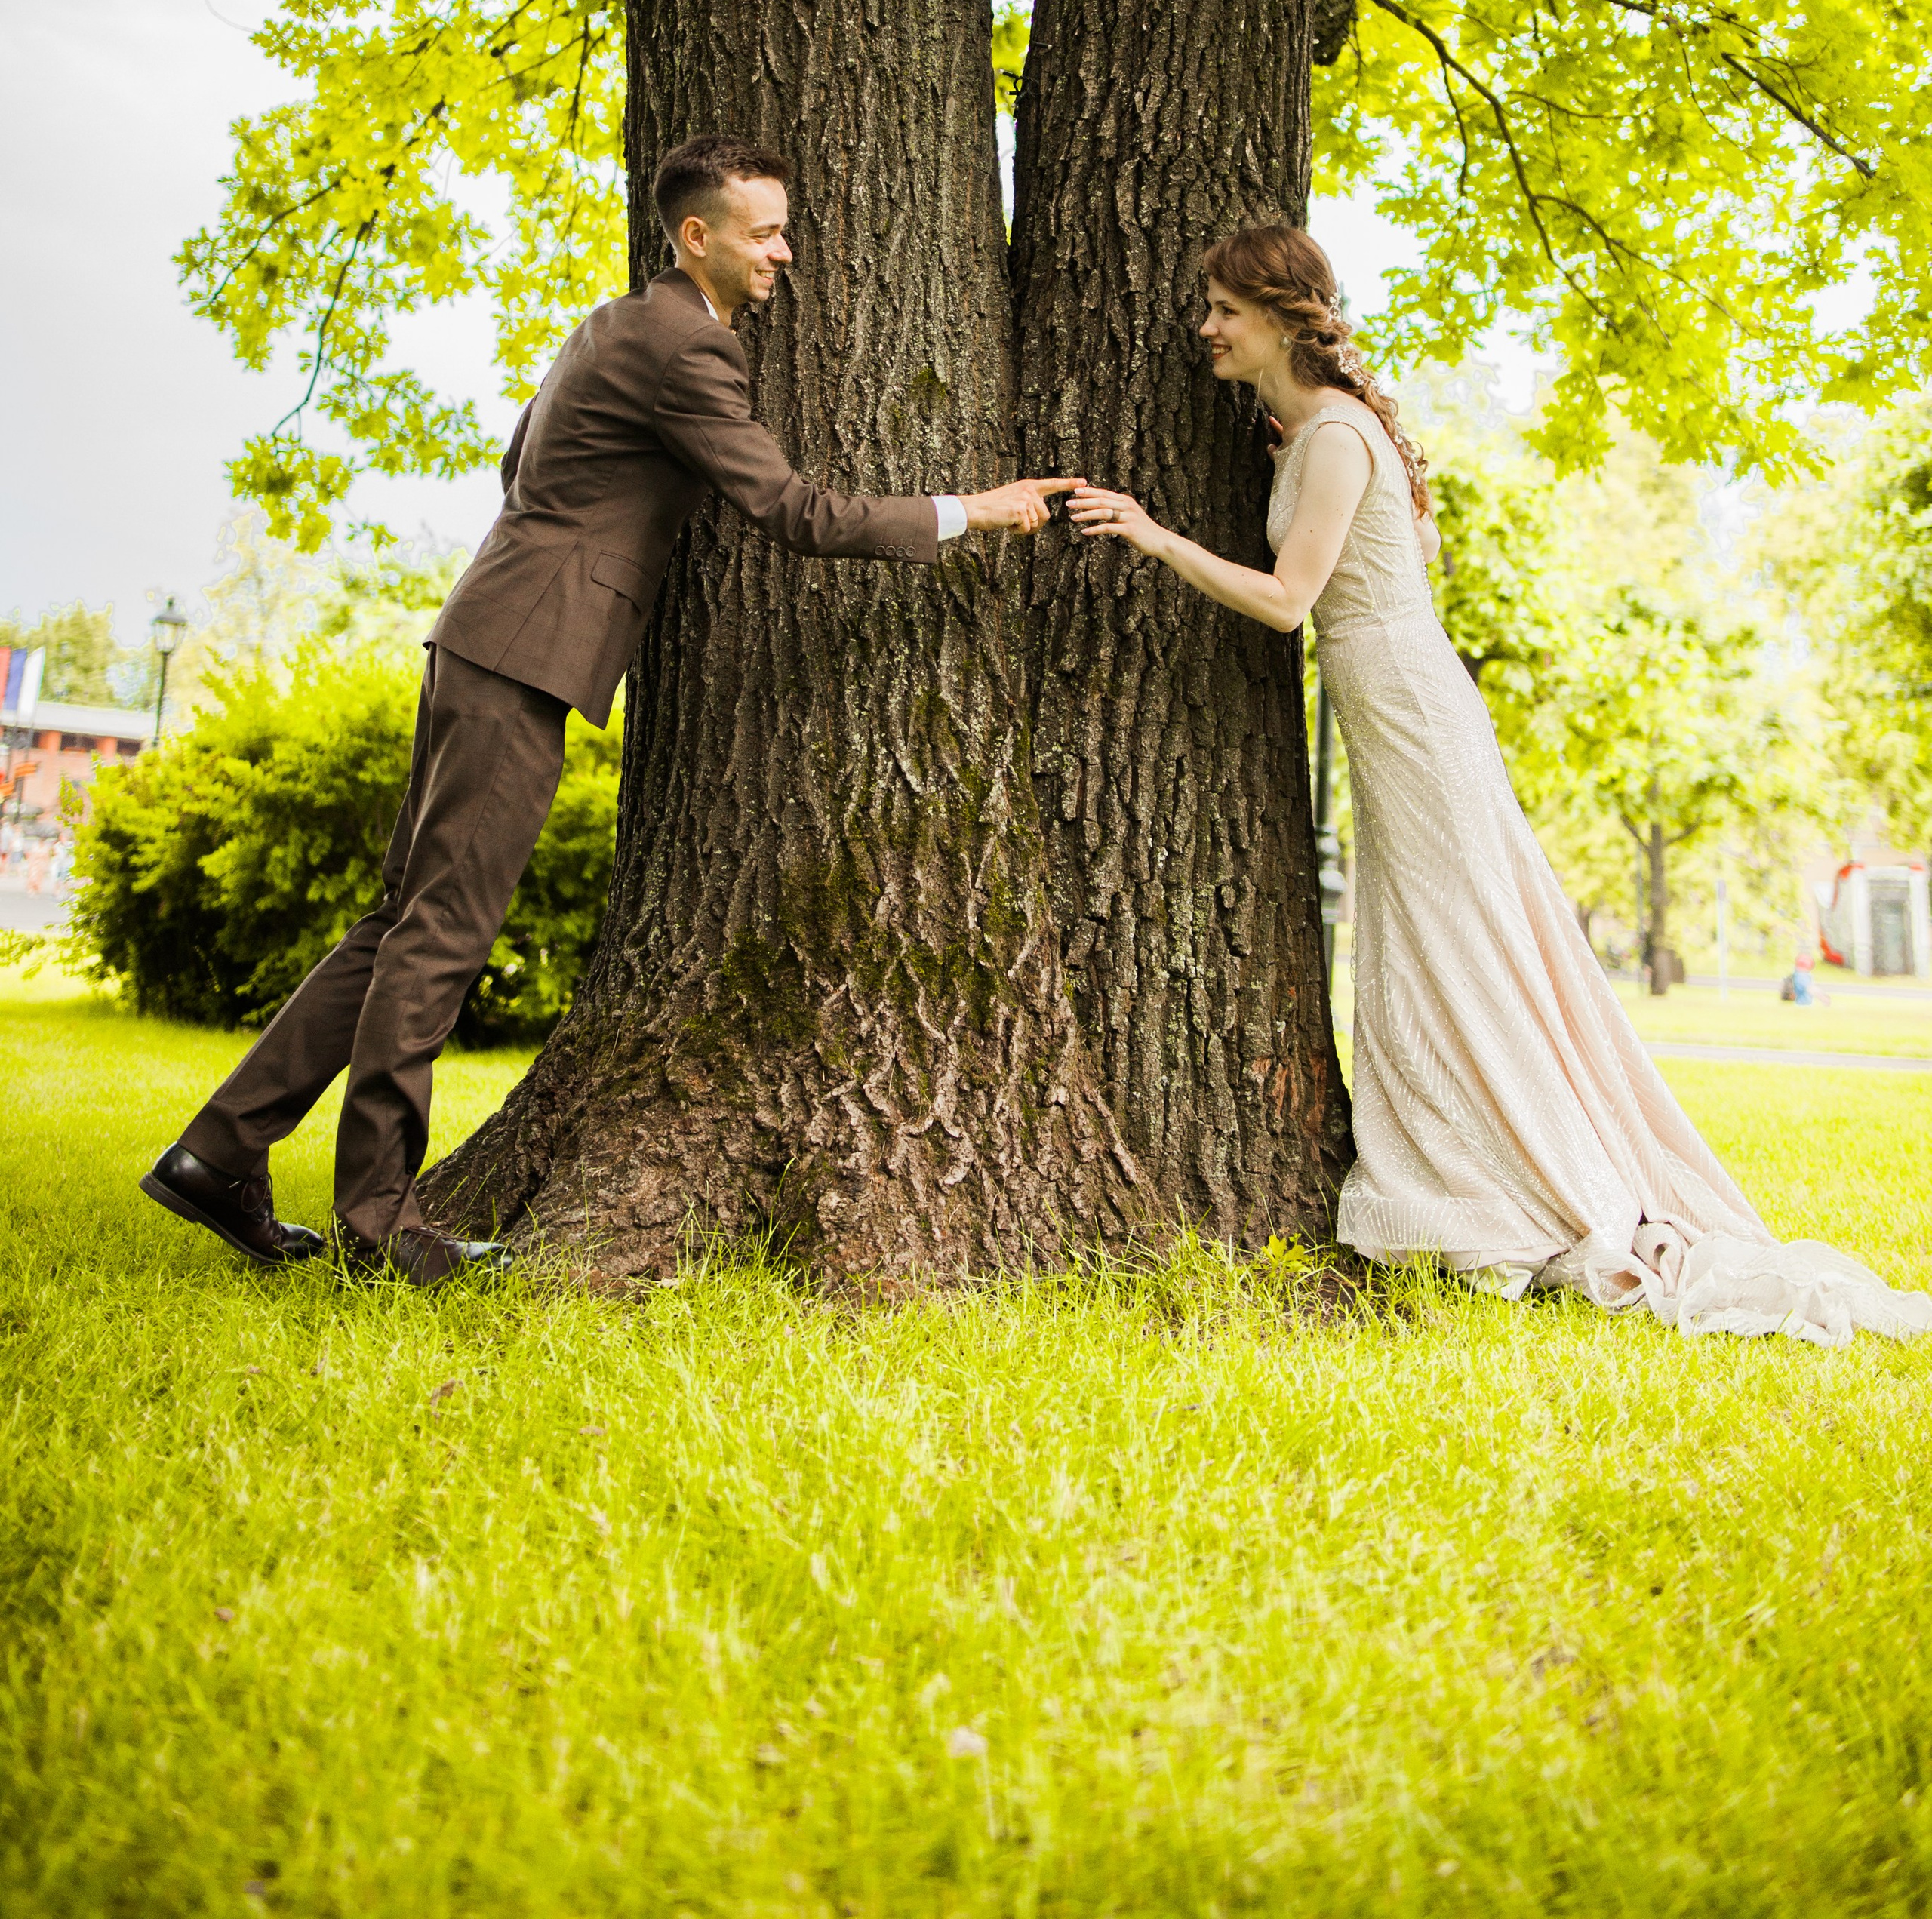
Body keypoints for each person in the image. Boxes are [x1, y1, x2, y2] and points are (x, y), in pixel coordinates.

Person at [143, 136, 1071, 1289]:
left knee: (398, 921)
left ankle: (217, 1152)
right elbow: (797, 514)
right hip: (529, 652)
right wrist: (971, 512)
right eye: (765, 230)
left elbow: (516, 459)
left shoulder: (614, 324)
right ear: (698, 236)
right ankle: (379, 1224)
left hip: (484, 632)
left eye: (784, 226)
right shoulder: (689, 348)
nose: (785, 250)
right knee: (439, 934)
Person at [1069, 220, 1932, 1345]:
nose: (1208, 328)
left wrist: (1150, 534)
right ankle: (1481, 1166)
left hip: (1415, 717)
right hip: (1406, 703)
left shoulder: (1335, 436)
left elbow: (1290, 604)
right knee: (1443, 937)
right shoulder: (1322, 433)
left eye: (1226, 309)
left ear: (1284, 316)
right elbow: (1413, 558)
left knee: (1459, 942)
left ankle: (1521, 1187)